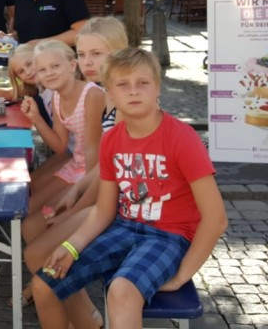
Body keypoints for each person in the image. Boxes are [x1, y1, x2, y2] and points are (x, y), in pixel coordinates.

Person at [32, 47, 228, 329]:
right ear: (110, 92)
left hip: (168, 236)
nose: (133, 91)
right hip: (124, 227)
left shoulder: (182, 138)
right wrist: (71, 246)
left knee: (121, 291)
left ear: (157, 87)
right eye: (123, 85)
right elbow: (103, 211)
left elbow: (216, 219)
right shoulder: (112, 141)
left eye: (143, 83)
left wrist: (182, 275)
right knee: (44, 284)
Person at [19, 17, 129, 316]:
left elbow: (108, 166)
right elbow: (106, 164)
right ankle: (81, 314)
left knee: (38, 255)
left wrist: (80, 200)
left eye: (97, 54)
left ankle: (86, 317)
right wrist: (76, 193)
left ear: (119, 52)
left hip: (126, 208)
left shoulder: (119, 100)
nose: (88, 62)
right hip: (102, 192)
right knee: (35, 242)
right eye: (83, 54)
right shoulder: (108, 94)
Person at [21, 41, 105, 214]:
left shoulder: (92, 95)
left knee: (40, 217)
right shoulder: (57, 96)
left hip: (93, 171)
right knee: (28, 205)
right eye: (43, 70)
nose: (49, 73)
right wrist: (36, 118)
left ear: (72, 65)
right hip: (78, 162)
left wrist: (85, 193)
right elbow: (60, 146)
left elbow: (93, 150)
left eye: (55, 66)